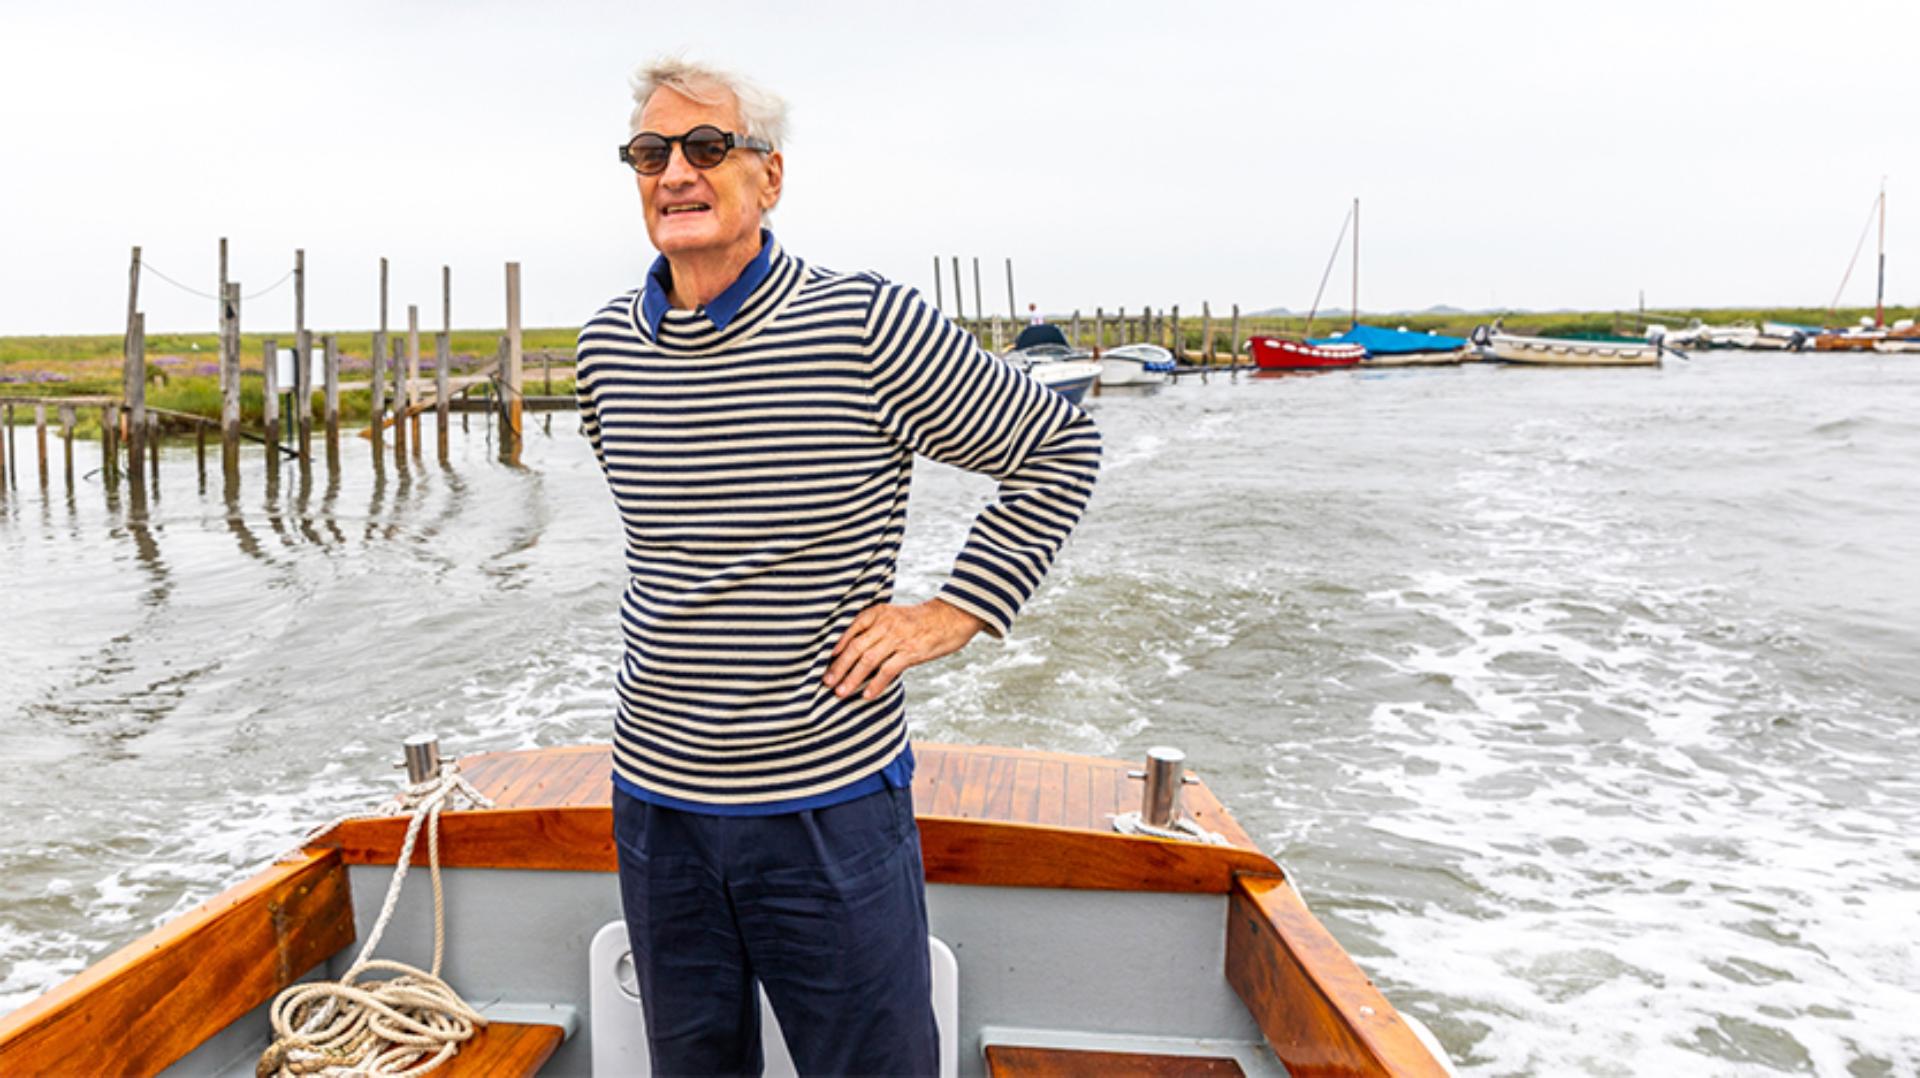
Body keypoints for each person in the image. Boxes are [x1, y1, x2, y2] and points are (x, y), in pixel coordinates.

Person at [574, 59, 1100, 1076]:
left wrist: (954, 611)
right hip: (657, 800)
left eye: (706, 147)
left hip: (826, 803)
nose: (674, 171)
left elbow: (1058, 448)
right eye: (650, 153)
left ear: (769, 177)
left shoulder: (865, 325)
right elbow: (673, 543)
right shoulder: (606, 350)